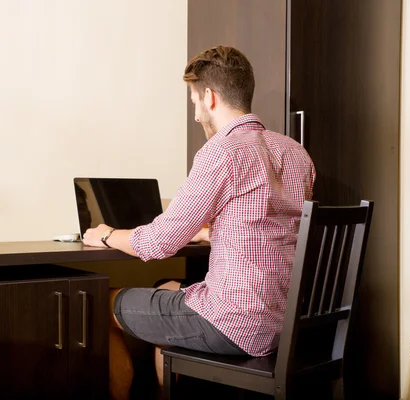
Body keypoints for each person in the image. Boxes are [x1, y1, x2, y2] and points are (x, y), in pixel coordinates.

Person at [82, 45, 316, 400]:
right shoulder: (295, 152)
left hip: (235, 325)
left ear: (209, 97)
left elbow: (158, 242)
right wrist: (213, 231)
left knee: (98, 301)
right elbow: (268, 224)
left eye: (193, 102)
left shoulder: (222, 151)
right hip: (285, 324)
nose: (194, 115)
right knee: (167, 285)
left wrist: (107, 234)